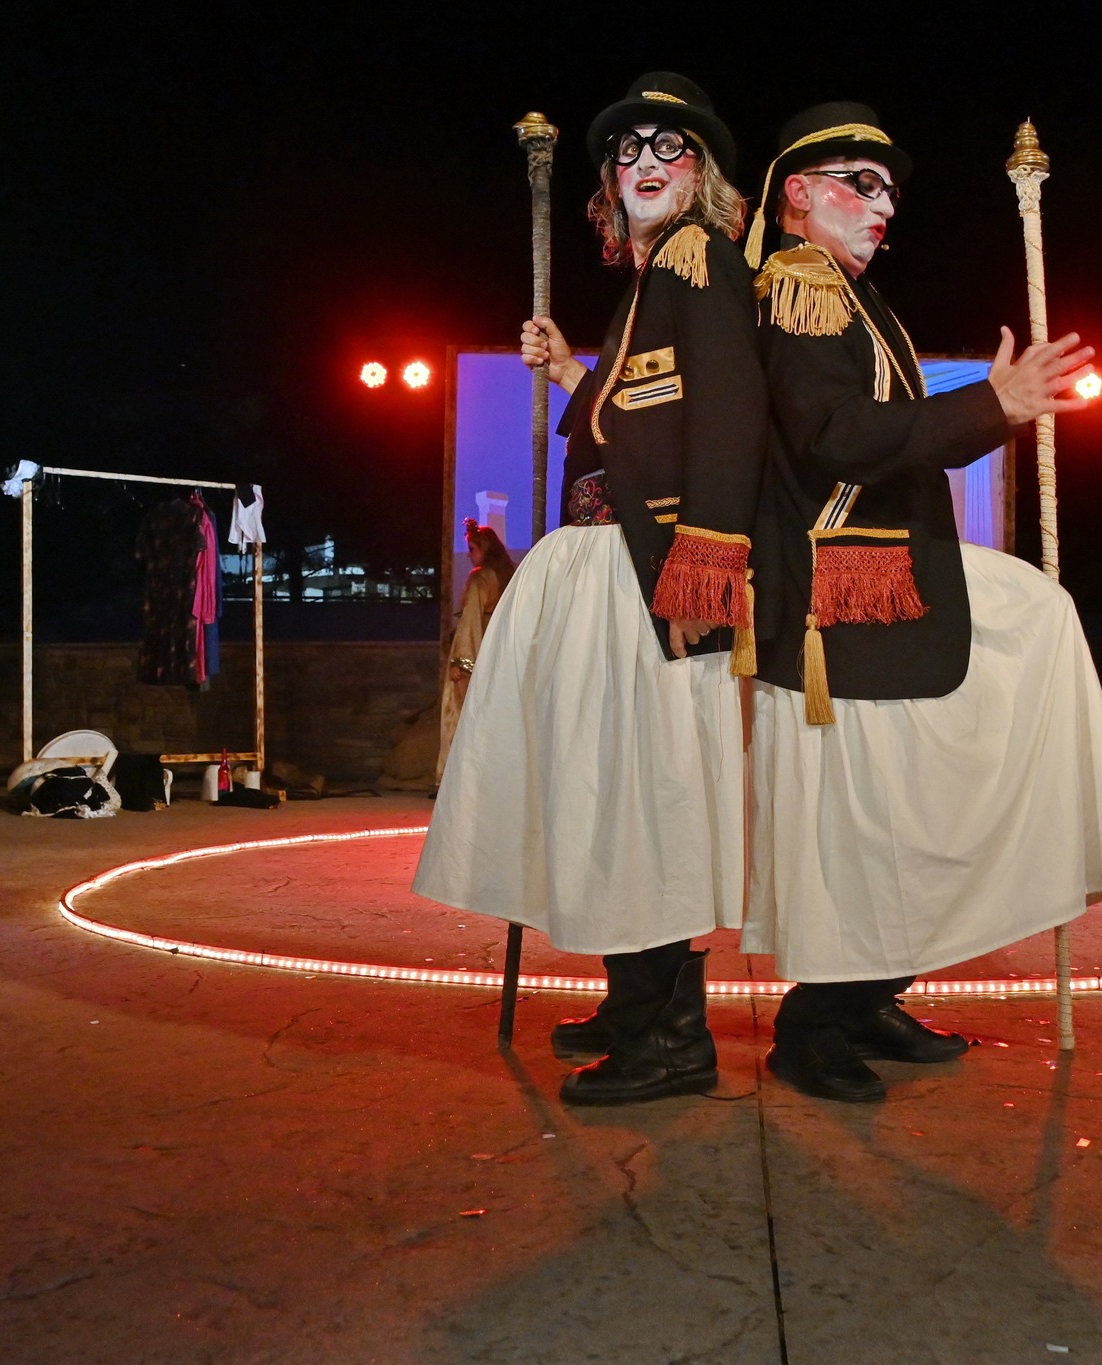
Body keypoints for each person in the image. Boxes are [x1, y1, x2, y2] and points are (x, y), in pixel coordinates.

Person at [740, 104, 1102, 1102]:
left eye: (889, 192)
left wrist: (989, 410)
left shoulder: (855, 299)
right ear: (798, 192)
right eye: (860, 184)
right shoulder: (799, 287)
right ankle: (814, 1024)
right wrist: (992, 406)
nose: (882, 206)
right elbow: (837, 439)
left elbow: (880, 433)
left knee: (1033, 623)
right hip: (838, 596)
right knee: (862, 822)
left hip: (889, 576)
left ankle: (872, 992)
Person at [413, 73, 768, 1105]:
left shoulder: (699, 259)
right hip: (612, 568)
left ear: (704, 173)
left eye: (669, 145)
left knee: (644, 802)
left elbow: (731, 415)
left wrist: (704, 563)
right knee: (609, 792)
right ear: (609, 182)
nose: (643, 161)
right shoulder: (651, 283)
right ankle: (633, 1006)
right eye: (626, 149)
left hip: (652, 577)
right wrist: (575, 370)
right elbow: (638, 422)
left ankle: (673, 1039)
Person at [435, 519, 515, 786]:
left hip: (478, 650)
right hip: (502, 652)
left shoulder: (480, 577)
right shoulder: (509, 576)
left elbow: (470, 620)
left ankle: (457, 782)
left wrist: (462, 661)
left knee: (461, 715)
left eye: (472, 549)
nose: (469, 555)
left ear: (485, 549)